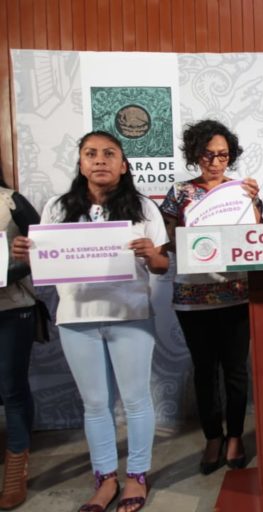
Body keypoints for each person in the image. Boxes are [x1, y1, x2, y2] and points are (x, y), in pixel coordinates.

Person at [12, 131, 168, 512]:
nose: (100, 160)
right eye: (91, 153)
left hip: (130, 315)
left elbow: (163, 266)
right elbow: (45, 264)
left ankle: (137, 476)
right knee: (95, 404)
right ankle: (105, 480)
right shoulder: (57, 208)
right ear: (81, 163)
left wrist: (151, 254)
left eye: (109, 154)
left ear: (124, 165)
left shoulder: (144, 208)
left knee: (136, 400)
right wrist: (29, 256)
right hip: (76, 317)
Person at [160, 120, 262, 475]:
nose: (216, 162)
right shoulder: (179, 192)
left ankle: (235, 436)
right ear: (195, 154)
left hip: (236, 292)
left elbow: (257, 238)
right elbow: (170, 242)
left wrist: (253, 203)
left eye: (223, 155)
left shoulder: (242, 190)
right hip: (193, 295)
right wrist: (197, 238)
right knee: (204, 370)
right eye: (208, 155)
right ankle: (212, 437)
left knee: (236, 370)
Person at [0, 171, 39, 510]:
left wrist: (6, 274)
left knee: (12, 388)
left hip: (12, 309)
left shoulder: (10, 201)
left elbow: (43, 251)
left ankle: (16, 466)